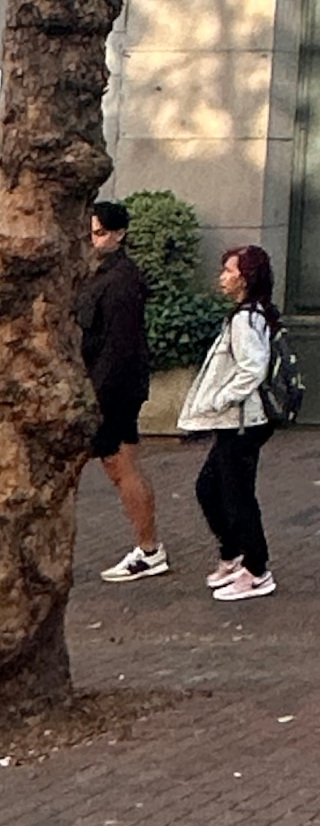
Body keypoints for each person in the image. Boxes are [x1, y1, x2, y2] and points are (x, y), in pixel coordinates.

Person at [177, 244, 280, 602]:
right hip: (235, 421)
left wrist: (220, 399)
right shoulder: (249, 315)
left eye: (229, 271)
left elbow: (253, 368)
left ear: (246, 278)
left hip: (242, 421)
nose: (222, 277)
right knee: (210, 488)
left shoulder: (245, 320)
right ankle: (235, 554)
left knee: (236, 496)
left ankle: (257, 569)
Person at [80, 200, 166, 582]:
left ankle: (149, 550)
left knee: (121, 467)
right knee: (122, 466)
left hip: (112, 390)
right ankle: (149, 549)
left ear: (119, 234)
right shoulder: (103, 274)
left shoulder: (120, 281)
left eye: (99, 233)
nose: (92, 240)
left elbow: (118, 347)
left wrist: (97, 397)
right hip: (112, 386)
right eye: (90, 233)